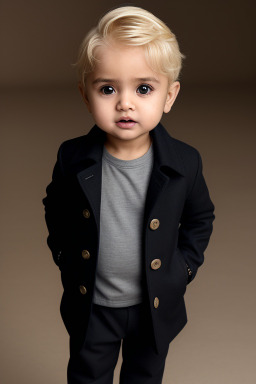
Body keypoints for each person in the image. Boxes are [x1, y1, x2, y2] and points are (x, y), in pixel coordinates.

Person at [42, 5, 215, 384]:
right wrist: (63, 254)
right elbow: (54, 208)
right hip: (94, 306)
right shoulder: (72, 158)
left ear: (169, 96)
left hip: (152, 307)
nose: (125, 102)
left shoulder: (185, 162)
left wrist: (183, 269)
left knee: (144, 377)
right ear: (87, 96)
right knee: (88, 377)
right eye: (107, 88)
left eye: (143, 88)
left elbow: (200, 218)